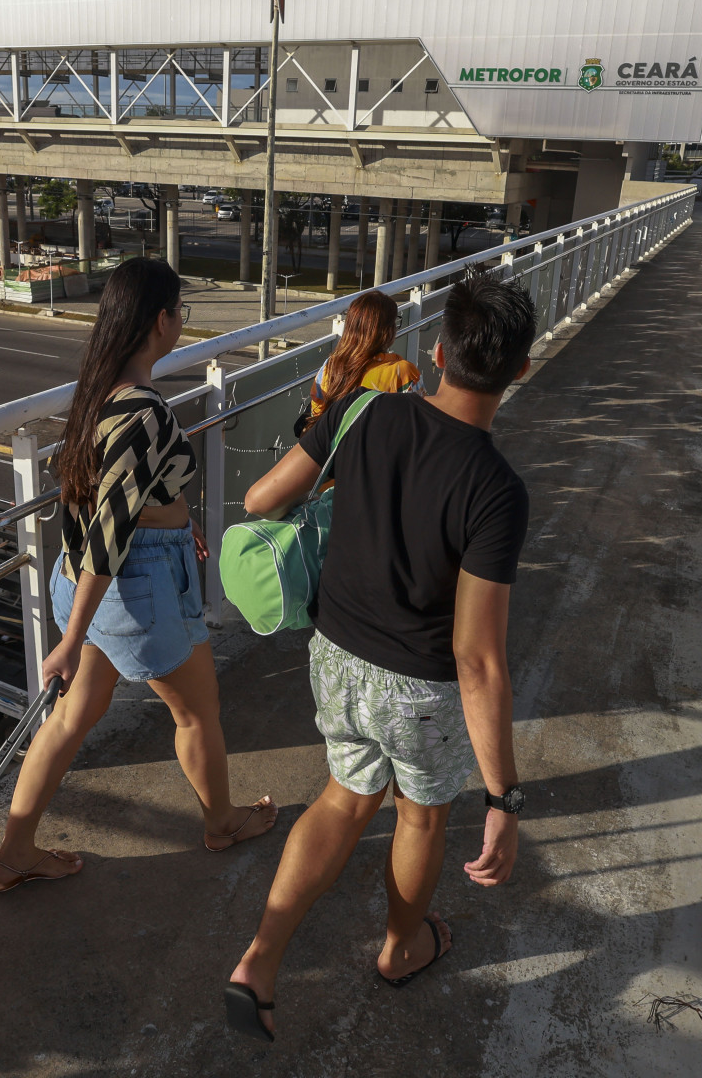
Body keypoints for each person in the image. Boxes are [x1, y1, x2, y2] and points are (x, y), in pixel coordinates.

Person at [223, 274, 537, 1041]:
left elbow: (262, 500)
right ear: (519, 371)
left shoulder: (366, 410)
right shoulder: (496, 489)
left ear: (434, 353)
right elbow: (477, 658)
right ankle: (402, 947)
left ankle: (260, 961)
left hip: (335, 655)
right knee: (420, 821)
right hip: (419, 690)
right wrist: (503, 799)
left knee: (341, 799)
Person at [0, 258, 276, 892]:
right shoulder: (142, 411)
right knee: (198, 715)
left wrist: (177, 523)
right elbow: (110, 531)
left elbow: (101, 499)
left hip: (99, 581)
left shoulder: (98, 391)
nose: (181, 325)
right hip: (132, 586)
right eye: (182, 313)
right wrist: (70, 639)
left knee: (70, 719)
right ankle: (222, 821)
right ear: (161, 321)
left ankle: (13, 853)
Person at [300, 289, 420, 435]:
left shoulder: (330, 366)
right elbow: (420, 428)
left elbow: (316, 414)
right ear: (387, 331)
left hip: (334, 454)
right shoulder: (403, 373)